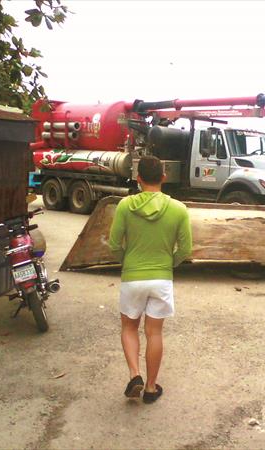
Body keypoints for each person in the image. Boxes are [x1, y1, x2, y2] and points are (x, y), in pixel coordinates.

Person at [109, 155, 192, 404]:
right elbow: (186, 249)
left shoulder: (125, 206)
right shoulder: (179, 209)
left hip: (132, 278)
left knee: (129, 327)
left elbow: (114, 244)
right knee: (154, 333)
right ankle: (151, 387)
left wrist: (128, 263)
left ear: (138, 179)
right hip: (161, 279)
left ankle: (135, 375)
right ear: (164, 178)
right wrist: (168, 265)